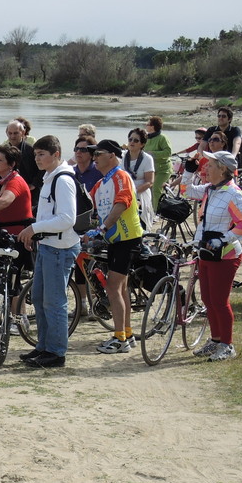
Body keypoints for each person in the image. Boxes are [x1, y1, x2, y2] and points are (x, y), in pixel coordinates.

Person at [180, 150, 242, 362]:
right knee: (207, 300)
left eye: (210, 165)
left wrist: (224, 239)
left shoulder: (232, 193)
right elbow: (186, 190)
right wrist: (188, 170)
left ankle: (227, 346)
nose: (205, 168)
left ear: (222, 169)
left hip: (226, 255)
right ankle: (215, 339)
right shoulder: (210, 190)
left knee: (220, 301)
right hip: (207, 252)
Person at [18, 135, 79, 368]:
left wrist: (34, 228)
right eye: (35, 155)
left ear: (56, 155)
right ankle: (44, 347)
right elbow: (49, 215)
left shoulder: (62, 180)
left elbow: (67, 218)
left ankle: (56, 353)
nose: (37, 159)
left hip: (60, 249)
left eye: (42, 154)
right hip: (48, 246)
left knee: (54, 302)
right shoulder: (50, 177)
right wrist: (36, 233)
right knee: (42, 299)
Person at [88, 139, 142, 353]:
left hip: (126, 238)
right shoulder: (102, 182)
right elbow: (87, 202)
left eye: (97, 153)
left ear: (111, 155)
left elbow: (122, 202)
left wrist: (102, 229)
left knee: (112, 287)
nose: (94, 158)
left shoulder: (121, 176)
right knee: (120, 288)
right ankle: (126, 333)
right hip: (116, 240)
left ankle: (120, 338)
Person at [0, 144, 33, 235]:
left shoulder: (15, 181)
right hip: (7, 232)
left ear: (12, 164)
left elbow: (2, 203)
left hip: (17, 236)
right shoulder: (6, 181)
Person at [123, 128, 156, 229]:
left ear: (142, 144)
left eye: (136, 140)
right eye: (130, 139)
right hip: (123, 193)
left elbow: (150, 182)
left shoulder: (147, 159)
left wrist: (134, 192)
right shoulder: (122, 156)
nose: (132, 142)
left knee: (139, 225)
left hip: (140, 194)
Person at [5, 119, 41, 205]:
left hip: (29, 193)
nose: (12, 136)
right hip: (8, 192)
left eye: (16, 133)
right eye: (10, 133)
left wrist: (34, 184)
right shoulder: (4, 151)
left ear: (23, 132)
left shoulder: (31, 150)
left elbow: (43, 169)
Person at [142, 116, 172, 205]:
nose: (145, 125)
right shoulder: (146, 138)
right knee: (146, 189)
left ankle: (155, 213)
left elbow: (168, 152)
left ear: (153, 126)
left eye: (147, 124)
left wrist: (153, 153)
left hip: (163, 169)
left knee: (155, 189)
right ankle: (149, 210)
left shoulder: (162, 138)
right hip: (150, 169)